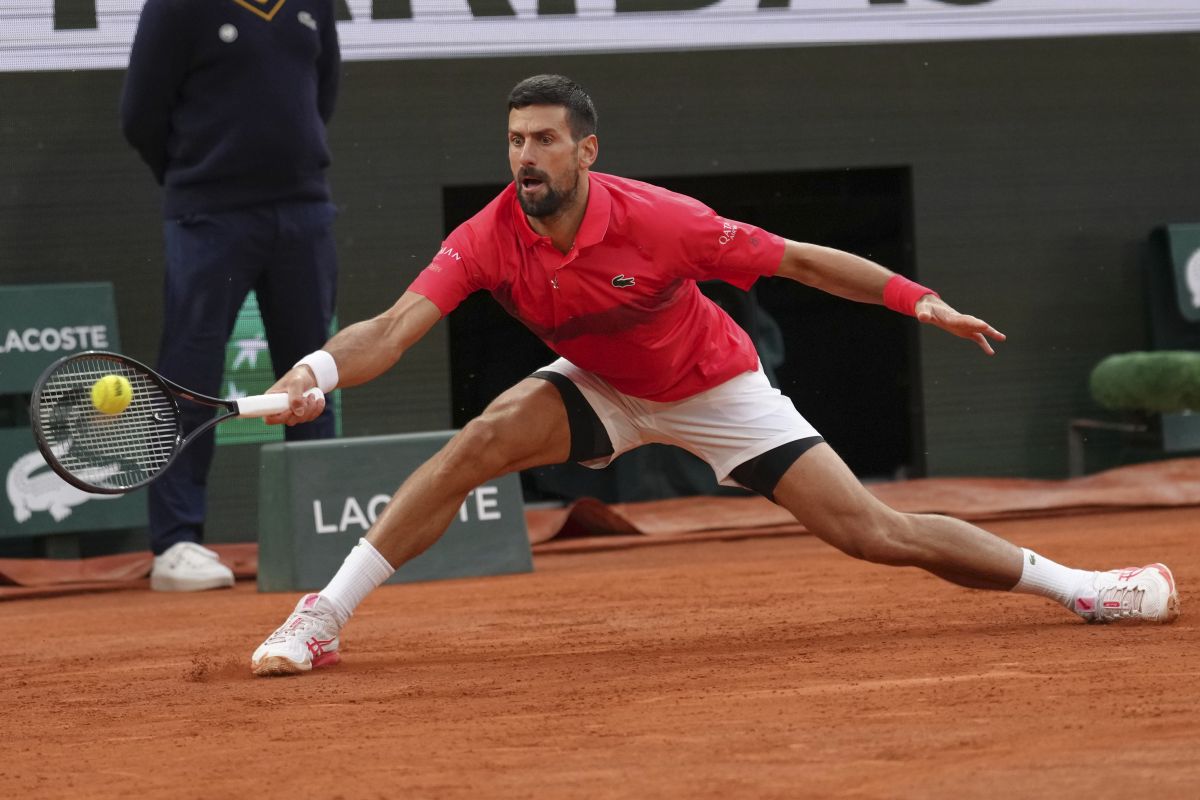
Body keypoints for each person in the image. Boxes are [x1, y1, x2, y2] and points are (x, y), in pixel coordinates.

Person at [249, 75, 1179, 676]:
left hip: (713, 385)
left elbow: (801, 262)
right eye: (514, 142)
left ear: (586, 151)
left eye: (543, 140)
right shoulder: (488, 235)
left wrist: (916, 301)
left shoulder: (662, 221)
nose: (525, 157)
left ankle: (1081, 586)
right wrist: (319, 369)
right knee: (480, 440)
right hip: (601, 383)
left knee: (874, 532)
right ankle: (323, 617)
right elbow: (396, 326)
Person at [119, 0, 341, 591]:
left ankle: (313, 530)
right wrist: (201, 176)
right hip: (208, 214)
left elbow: (323, 92)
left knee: (313, 374)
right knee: (189, 370)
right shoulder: (175, 6)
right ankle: (176, 544)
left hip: (303, 210)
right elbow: (140, 113)